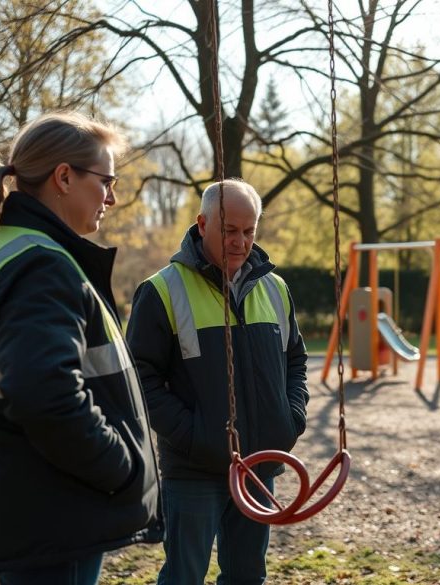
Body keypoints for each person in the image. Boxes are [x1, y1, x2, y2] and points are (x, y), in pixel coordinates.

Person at [0, 112, 162, 584]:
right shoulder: (41, 266)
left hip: (38, 512)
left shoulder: (14, 249)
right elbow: (45, 395)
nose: (112, 196)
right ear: (63, 177)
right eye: (106, 181)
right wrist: (124, 470)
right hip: (55, 515)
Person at [126, 179, 309, 585]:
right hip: (193, 468)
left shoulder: (275, 288)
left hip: (260, 463)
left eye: (249, 231)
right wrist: (193, 435)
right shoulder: (162, 291)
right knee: (184, 576)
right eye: (229, 230)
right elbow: (140, 377)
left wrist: (290, 418)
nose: (240, 242)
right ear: (202, 223)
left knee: (247, 575)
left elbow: (295, 359)